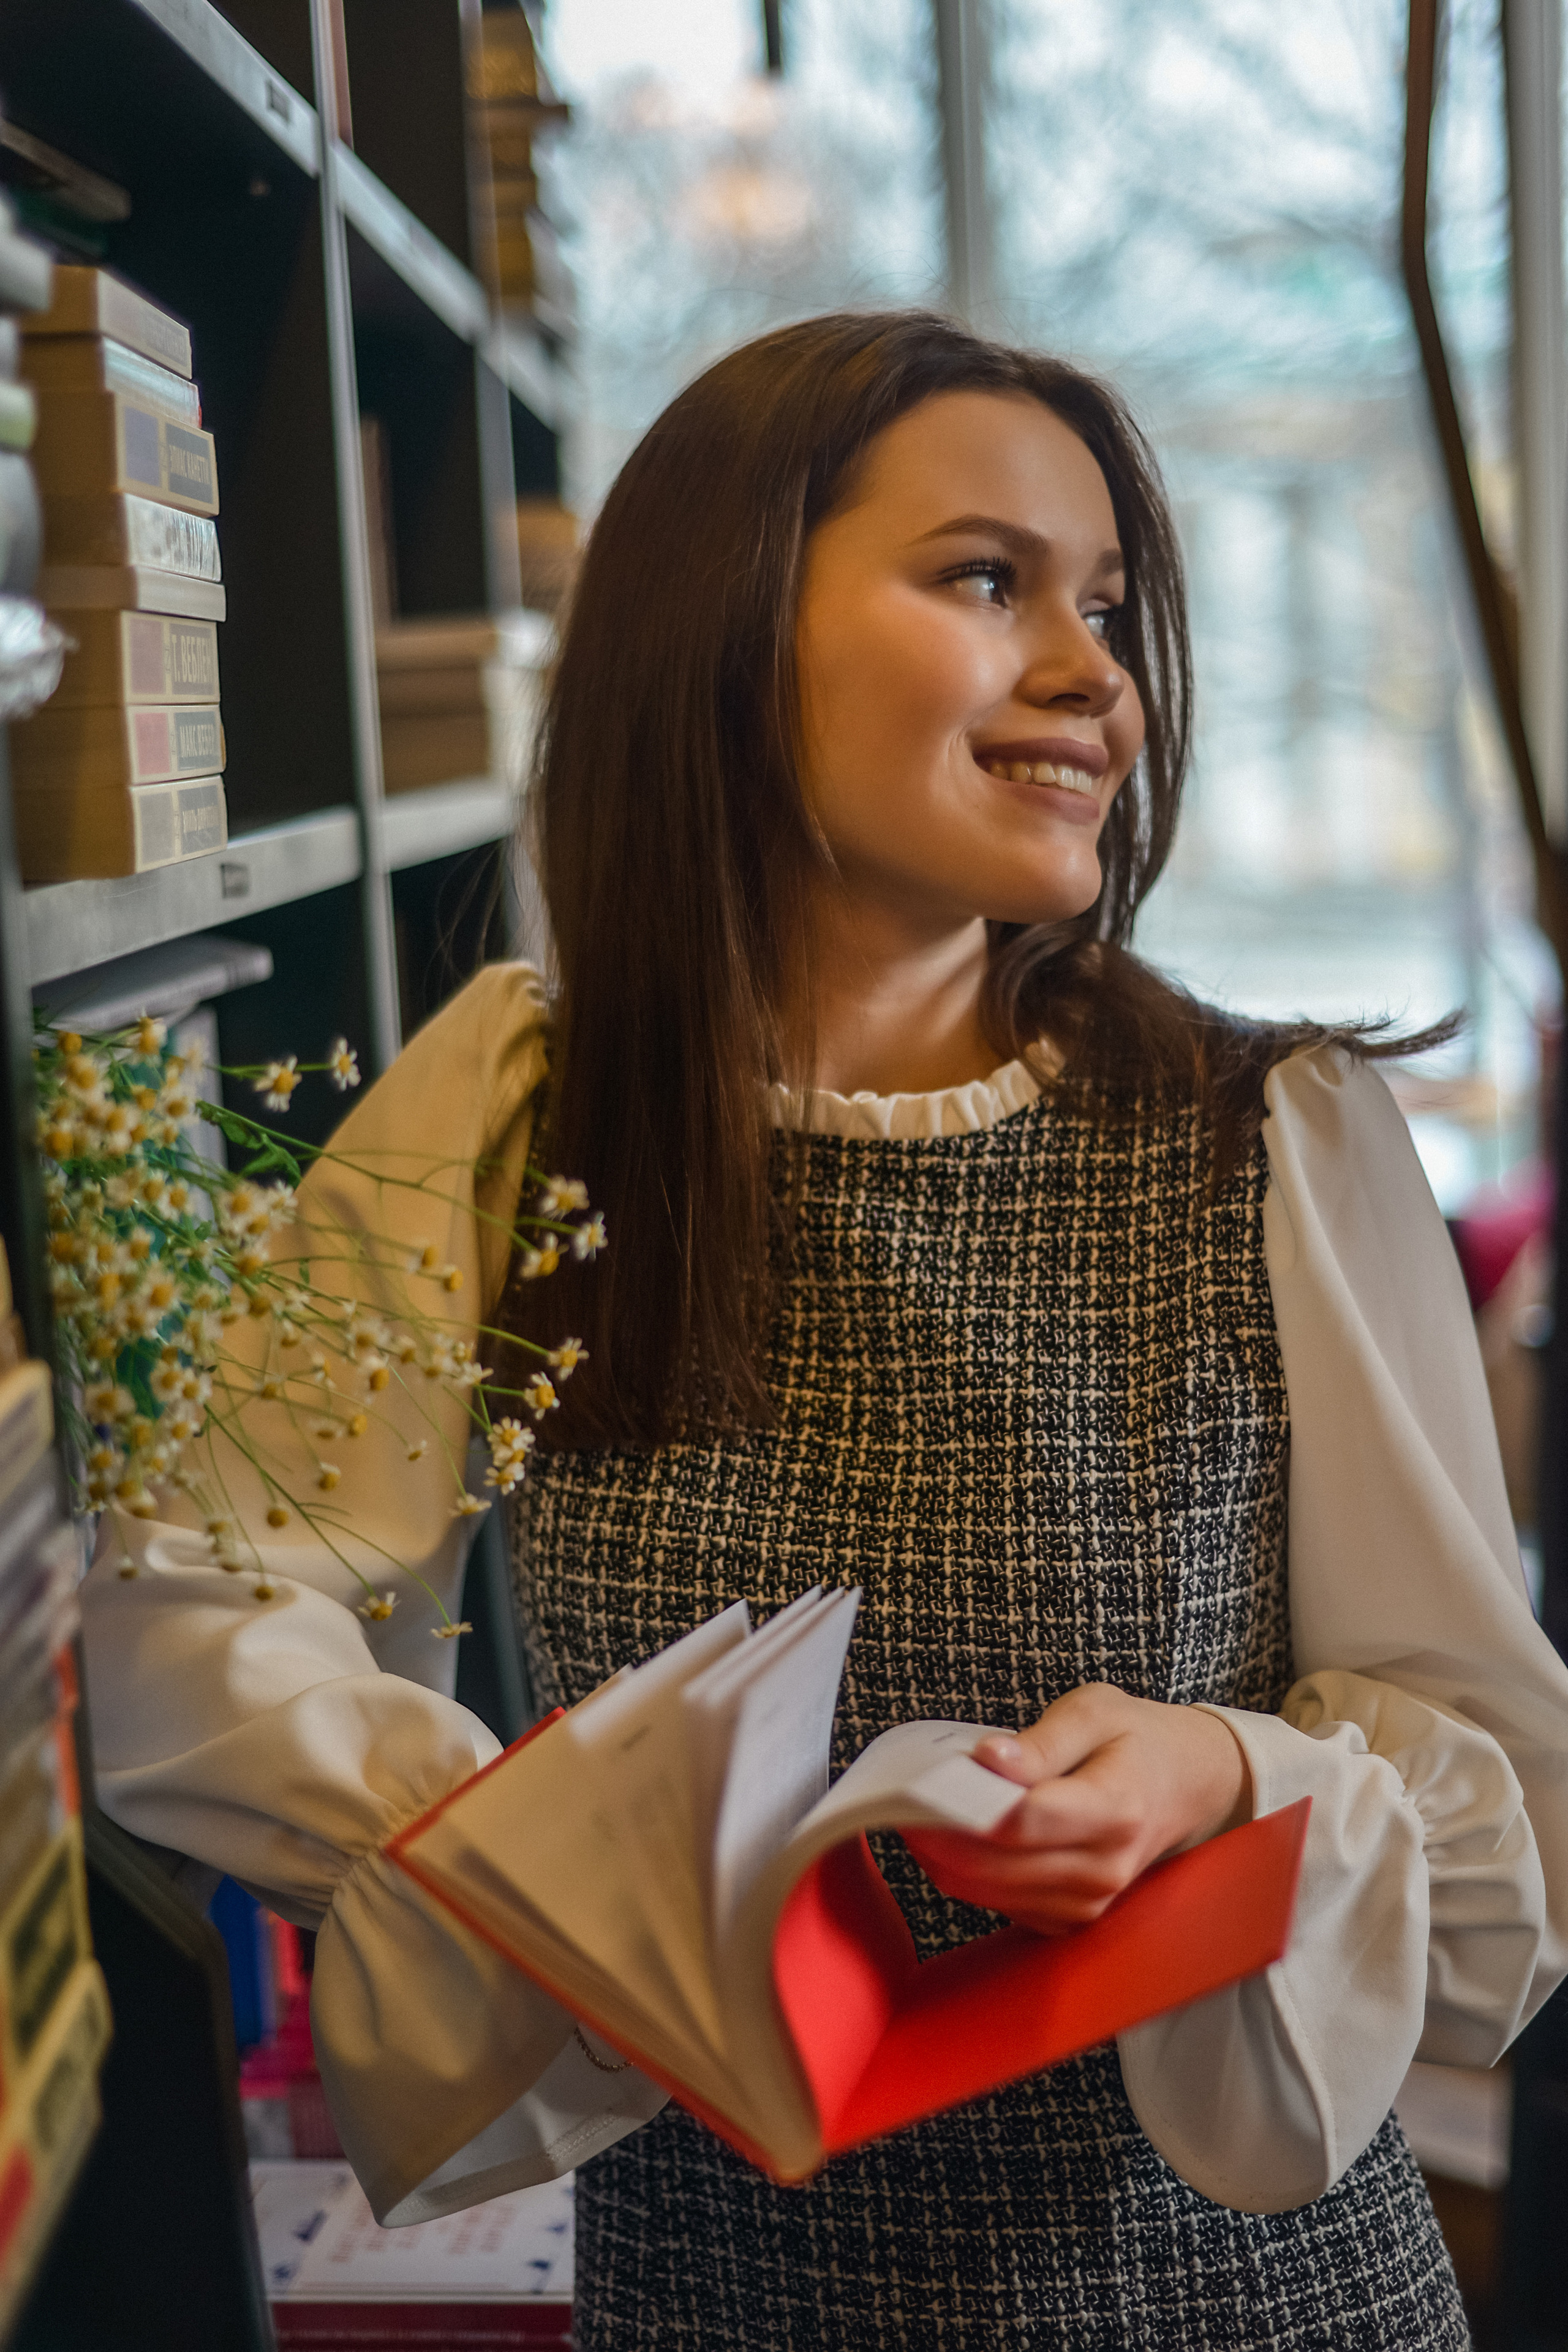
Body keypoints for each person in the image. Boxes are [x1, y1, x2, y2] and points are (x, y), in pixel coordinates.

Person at [85, 312, 1568, 2349]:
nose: (1098, 677)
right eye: (988, 578)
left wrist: (1232, 1776)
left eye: (1108, 606)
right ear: (729, 622)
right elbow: (191, 1605)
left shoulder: (1275, 1135)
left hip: (1248, 2306)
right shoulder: (523, 1105)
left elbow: (1507, 1820)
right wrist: (527, 1867)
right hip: (718, 2303)